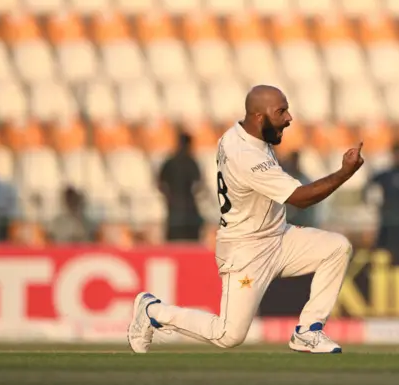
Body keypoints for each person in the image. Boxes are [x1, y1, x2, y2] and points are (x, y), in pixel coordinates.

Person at [127, 85, 363, 354]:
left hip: (277, 236)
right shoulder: (247, 156)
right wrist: (345, 173)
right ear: (259, 117)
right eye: (281, 112)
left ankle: (308, 331)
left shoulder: (236, 135)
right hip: (246, 249)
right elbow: (300, 198)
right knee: (229, 335)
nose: (289, 118)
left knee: (336, 247)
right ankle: (152, 310)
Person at [158, 132, 204, 241]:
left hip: (174, 203)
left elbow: (161, 183)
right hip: (189, 205)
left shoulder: (170, 161)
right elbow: (198, 184)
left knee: (174, 237)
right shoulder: (191, 162)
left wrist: (168, 196)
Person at [281, 151, 317, 228]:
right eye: (291, 161)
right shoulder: (283, 176)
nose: (293, 163)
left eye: (295, 161)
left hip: (301, 220)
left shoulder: (305, 180)